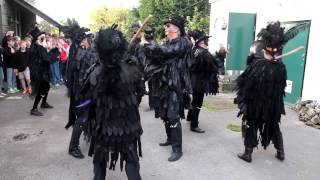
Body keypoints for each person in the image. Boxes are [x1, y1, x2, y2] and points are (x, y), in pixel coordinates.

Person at [78, 25, 143, 180]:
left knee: (100, 162)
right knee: (131, 160)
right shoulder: (132, 67)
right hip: (128, 124)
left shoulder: (94, 72)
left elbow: (86, 101)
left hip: (103, 127)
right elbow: (140, 93)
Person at [234, 21, 287, 163]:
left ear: (265, 49)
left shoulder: (258, 66)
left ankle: (248, 153)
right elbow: (282, 88)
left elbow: (245, 84)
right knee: (273, 125)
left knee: (251, 125)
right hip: (273, 105)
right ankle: (280, 151)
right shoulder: (281, 67)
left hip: (257, 105)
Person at [143, 13, 192, 161]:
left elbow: (168, 52)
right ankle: (170, 139)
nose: (165, 28)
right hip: (163, 83)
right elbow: (158, 57)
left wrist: (151, 45)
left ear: (177, 29)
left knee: (172, 115)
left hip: (176, 85)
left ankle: (177, 149)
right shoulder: (167, 43)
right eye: (166, 25)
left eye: (168, 25)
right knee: (164, 113)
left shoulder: (183, 42)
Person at [62, 19, 97, 159]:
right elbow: (94, 62)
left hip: (84, 93)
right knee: (82, 118)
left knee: (90, 115)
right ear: (83, 41)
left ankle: (93, 139)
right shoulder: (81, 54)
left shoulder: (80, 52)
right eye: (88, 38)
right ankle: (73, 147)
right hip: (83, 95)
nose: (90, 40)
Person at [186, 30, 219, 133]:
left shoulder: (194, 50)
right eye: (205, 40)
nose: (207, 41)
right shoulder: (204, 53)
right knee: (198, 103)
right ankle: (194, 125)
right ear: (201, 42)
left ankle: (190, 117)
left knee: (195, 100)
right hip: (200, 82)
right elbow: (213, 66)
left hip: (194, 80)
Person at [29, 26, 54, 116]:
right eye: (42, 38)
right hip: (38, 73)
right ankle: (34, 108)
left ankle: (44, 103)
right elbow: (46, 59)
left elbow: (46, 58)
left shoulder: (40, 47)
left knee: (46, 87)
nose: (44, 39)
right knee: (40, 90)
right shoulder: (34, 48)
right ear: (36, 39)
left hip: (44, 71)